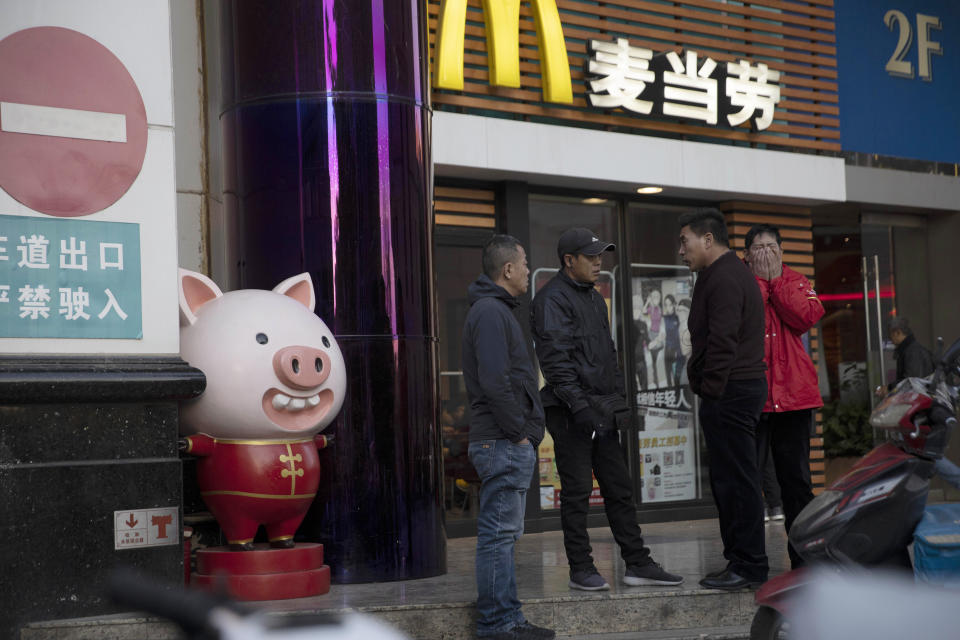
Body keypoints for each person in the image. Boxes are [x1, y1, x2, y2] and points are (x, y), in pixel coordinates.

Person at [531, 227, 683, 591]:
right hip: (570, 412)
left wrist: (617, 402)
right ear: (569, 261)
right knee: (577, 491)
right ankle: (581, 568)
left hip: (600, 409)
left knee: (619, 488)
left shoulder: (595, 297)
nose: (599, 261)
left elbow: (608, 356)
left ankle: (638, 563)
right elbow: (556, 364)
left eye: (601, 254)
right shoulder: (551, 300)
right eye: (591, 255)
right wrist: (581, 409)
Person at [461, 234, 555, 640]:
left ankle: (509, 618)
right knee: (498, 536)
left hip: (506, 440)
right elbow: (495, 381)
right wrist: (519, 433)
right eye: (525, 263)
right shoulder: (489, 312)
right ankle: (497, 624)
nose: (530, 270)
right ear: (508, 270)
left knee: (504, 536)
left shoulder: (496, 310)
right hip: (501, 441)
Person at [678, 208, 768, 591]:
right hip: (730, 389)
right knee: (729, 479)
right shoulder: (716, 274)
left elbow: (723, 341)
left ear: (708, 240)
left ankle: (748, 566)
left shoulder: (726, 277)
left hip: (731, 390)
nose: (681, 250)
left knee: (736, 480)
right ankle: (741, 560)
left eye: (685, 241)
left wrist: (710, 389)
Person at [744, 224, 823, 566]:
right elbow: (743, 322)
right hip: (754, 398)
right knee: (746, 482)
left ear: (782, 251)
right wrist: (761, 282)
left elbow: (805, 317)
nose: (765, 252)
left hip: (795, 398)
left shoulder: (796, 281)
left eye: (771, 246)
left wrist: (775, 282)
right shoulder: (743, 285)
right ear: (746, 255)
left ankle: (804, 560)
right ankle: (748, 562)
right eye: (758, 247)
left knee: (797, 484)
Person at [887, 317, 935, 387]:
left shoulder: (913, 352)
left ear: (898, 332)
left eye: (890, 334)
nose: (890, 338)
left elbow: (912, 381)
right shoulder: (910, 349)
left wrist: (890, 388)